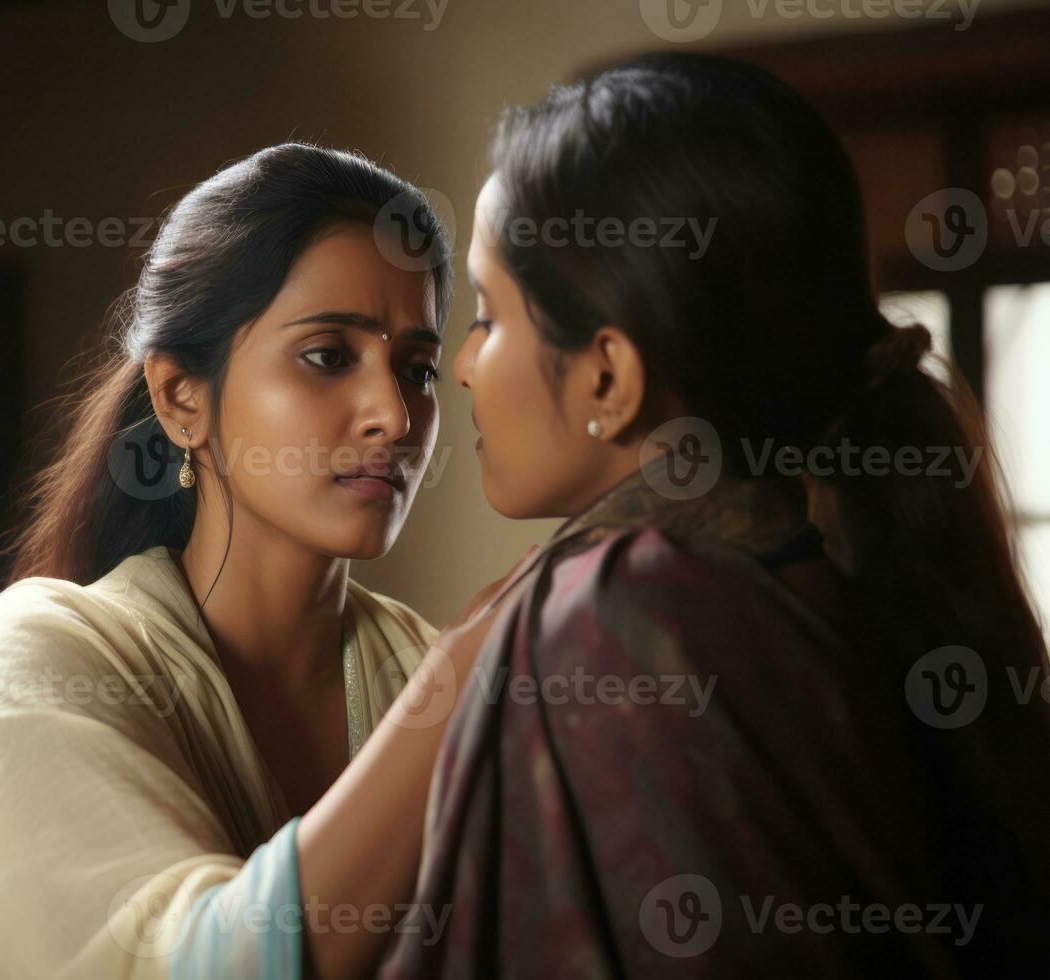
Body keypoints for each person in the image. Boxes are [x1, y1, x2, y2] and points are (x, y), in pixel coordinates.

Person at [379, 53, 1050, 977]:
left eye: (489, 316)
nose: (461, 365)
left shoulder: (625, 616)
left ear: (606, 377)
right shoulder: (804, 575)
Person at [0, 142, 534, 980]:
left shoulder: (430, 667)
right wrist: (468, 679)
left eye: (415, 368)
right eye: (329, 355)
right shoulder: (28, 661)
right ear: (180, 397)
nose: (392, 415)